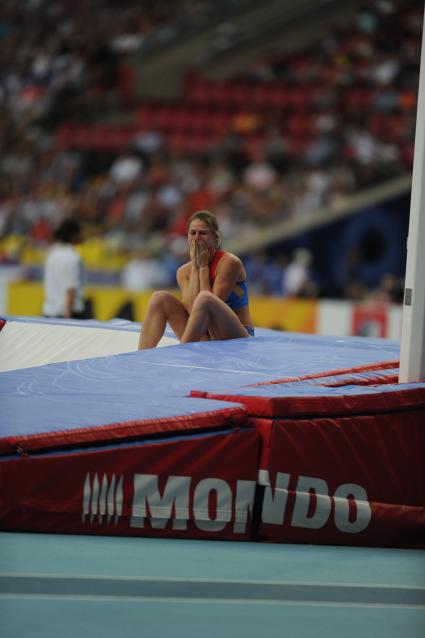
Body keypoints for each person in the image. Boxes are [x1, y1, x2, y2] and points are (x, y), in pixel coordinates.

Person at [138, 210, 254, 349]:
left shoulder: (229, 263)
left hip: (235, 337)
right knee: (159, 298)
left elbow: (209, 311)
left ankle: (183, 351)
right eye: (193, 233)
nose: (197, 238)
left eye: (203, 233)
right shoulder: (183, 271)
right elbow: (192, 310)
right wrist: (195, 267)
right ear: (187, 237)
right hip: (203, 336)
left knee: (205, 298)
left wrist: (203, 267)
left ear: (216, 238)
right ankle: (141, 356)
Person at [42, 217, 86, 319]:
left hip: (49, 312)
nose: (82, 235)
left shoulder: (51, 254)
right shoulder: (73, 257)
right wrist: (68, 319)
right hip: (67, 314)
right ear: (73, 234)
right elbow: (70, 290)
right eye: (80, 232)